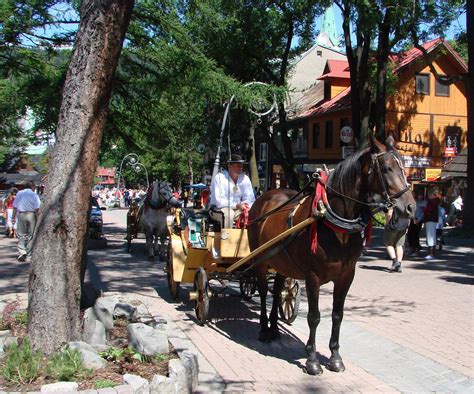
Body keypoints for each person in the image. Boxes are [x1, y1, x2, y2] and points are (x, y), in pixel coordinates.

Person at [210, 153, 255, 228]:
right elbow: (219, 201)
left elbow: (250, 198)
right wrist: (237, 205)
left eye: (242, 165)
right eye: (238, 165)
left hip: (238, 209)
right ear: (229, 166)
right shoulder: (220, 177)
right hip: (218, 209)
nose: (241, 168)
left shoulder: (245, 178)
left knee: (252, 214)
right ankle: (227, 238)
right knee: (229, 214)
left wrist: (246, 206)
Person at [12, 181, 41, 262]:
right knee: (31, 235)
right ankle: (29, 255)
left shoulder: (19, 193)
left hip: (21, 214)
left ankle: (22, 252)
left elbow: (15, 206)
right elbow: (37, 208)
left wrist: (13, 218)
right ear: (33, 187)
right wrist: (38, 218)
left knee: (21, 234)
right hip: (31, 214)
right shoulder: (34, 194)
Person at [384, 207, 409, 273]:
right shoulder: (404, 202)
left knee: (389, 245)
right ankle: (399, 264)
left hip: (393, 225)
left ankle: (395, 262)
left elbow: (389, 214)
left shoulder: (393, 202)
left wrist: (387, 223)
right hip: (403, 225)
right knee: (399, 245)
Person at [421, 187, 440, 260]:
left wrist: (423, 209)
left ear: (433, 194)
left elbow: (428, 210)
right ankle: (433, 252)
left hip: (430, 219)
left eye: (429, 195)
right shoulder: (436, 201)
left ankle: (431, 253)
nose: (428, 196)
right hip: (434, 219)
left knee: (430, 236)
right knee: (433, 236)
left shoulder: (432, 201)